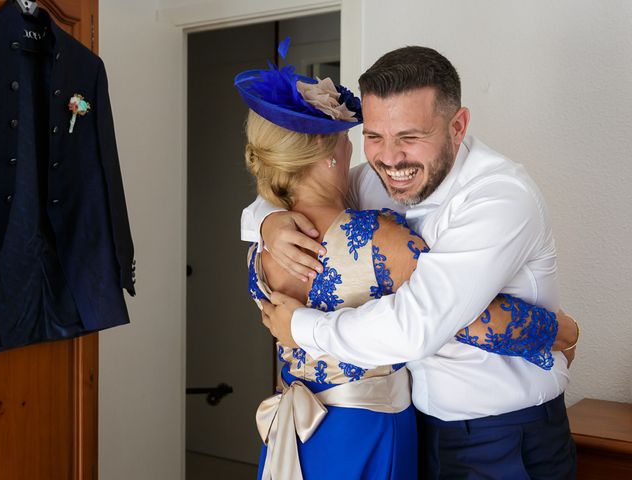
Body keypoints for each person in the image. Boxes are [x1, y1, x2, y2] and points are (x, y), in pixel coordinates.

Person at [238, 40, 578, 479]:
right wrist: (270, 220)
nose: (390, 158)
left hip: (503, 436)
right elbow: (300, 188)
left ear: (458, 126)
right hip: (413, 429)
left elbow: (417, 325)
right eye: (374, 137)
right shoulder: (374, 182)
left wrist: (300, 326)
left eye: (410, 138)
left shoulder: (499, 196)